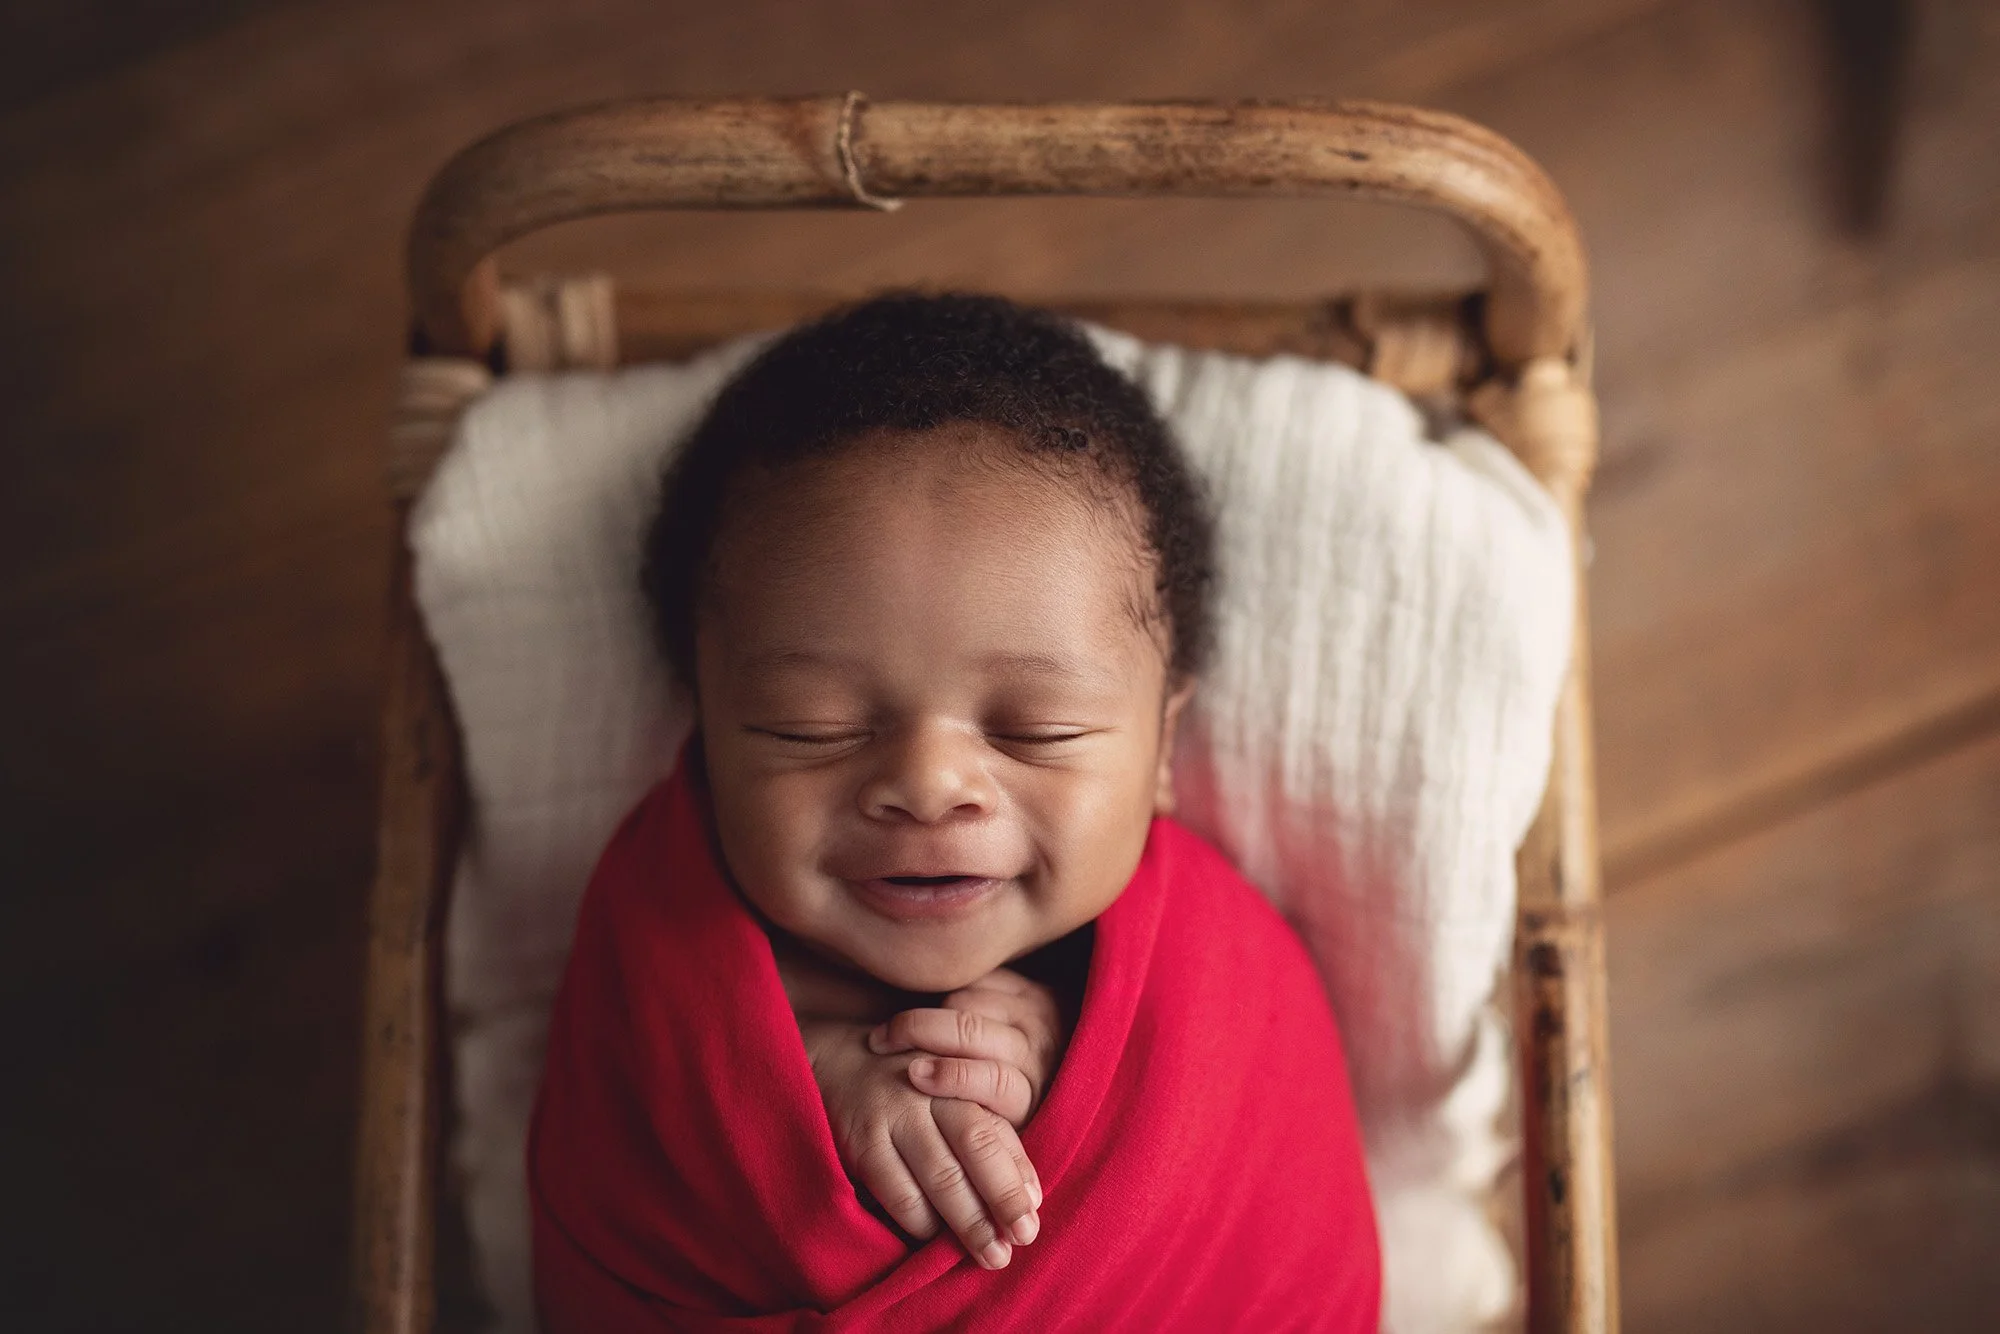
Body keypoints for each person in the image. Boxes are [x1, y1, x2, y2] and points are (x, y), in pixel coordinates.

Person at [530, 293, 1380, 1331]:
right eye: (812, 725)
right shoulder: (650, 952)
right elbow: (617, 1209)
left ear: (1161, 747)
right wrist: (808, 1099)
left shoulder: (1225, 981)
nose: (931, 784)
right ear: (705, 734)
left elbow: (1272, 1243)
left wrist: (1065, 1045)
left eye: (1035, 727)